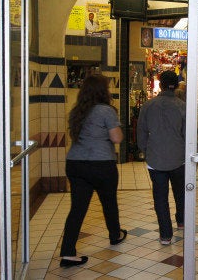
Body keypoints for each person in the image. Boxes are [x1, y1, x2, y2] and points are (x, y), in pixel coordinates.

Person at [60, 74, 127, 267]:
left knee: (77, 209)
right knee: (109, 202)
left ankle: (67, 252)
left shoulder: (77, 111)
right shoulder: (106, 111)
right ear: (102, 91)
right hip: (101, 164)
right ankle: (115, 235)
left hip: (76, 163)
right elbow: (117, 138)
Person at [137, 71, 186, 245]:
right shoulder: (182, 106)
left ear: (161, 85)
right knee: (180, 192)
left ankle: (165, 234)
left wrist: (145, 151)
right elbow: (188, 135)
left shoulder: (148, 106)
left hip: (155, 159)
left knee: (160, 197)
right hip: (179, 158)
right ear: (177, 85)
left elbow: (141, 133)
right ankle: (181, 221)